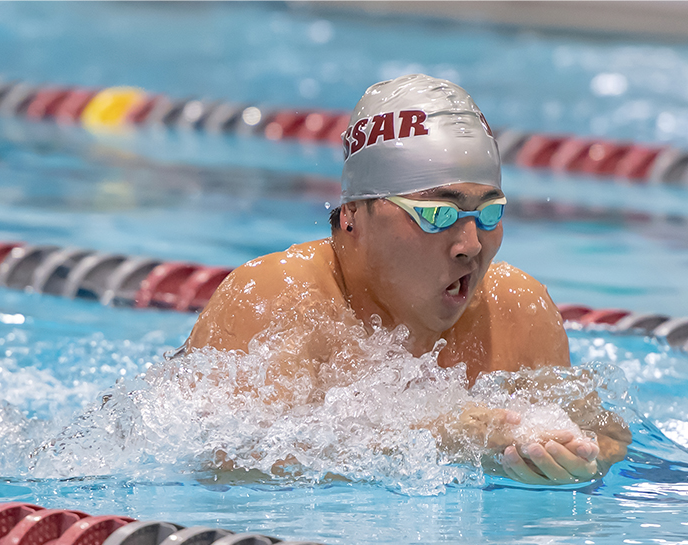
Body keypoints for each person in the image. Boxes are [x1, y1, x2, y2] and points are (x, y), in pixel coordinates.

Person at [186, 74, 630, 485]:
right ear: (353, 215)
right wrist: (433, 436)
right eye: (439, 214)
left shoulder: (517, 309)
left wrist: (580, 458)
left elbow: (606, 433)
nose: (471, 245)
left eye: (489, 212)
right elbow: (221, 459)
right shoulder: (277, 298)